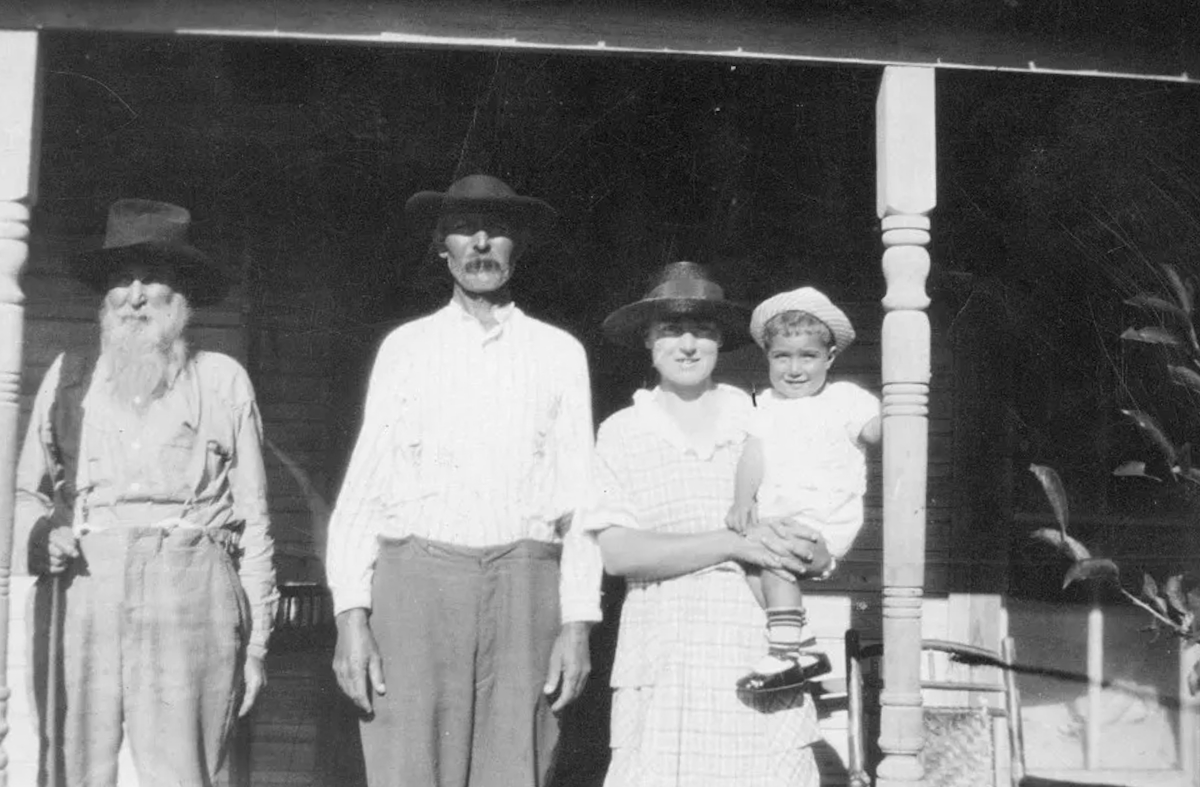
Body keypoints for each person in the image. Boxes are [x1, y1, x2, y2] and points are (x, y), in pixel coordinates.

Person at [326, 174, 603, 787]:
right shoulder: (407, 347)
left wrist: (577, 623)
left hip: (525, 585)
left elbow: (583, 500)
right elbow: (364, 489)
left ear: (518, 247)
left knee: (516, 767)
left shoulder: (558, 352)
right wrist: (351, 617)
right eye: (463, 228)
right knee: (407, 768)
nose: (481, 241)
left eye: (498, 229)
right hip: (417, 583)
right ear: (442, 247)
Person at [16, 198, 277, 787]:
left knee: (184, 772)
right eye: (119, 279)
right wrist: (41, 535)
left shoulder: (220, 379)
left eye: (152, 278)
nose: (134, 295)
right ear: (103, 296)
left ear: (181, 295)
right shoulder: (68, 376)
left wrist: (256, 642)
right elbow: (27, 495)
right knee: (70, 766)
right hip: (86, 582)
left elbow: (256, 521)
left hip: (190, 587)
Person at [585, 262, 830, 787]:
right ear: (648, 341)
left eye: (704, 331)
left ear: (722, 343)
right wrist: (733, 542)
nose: (689, 344)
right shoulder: (621, 432)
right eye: (672, 330)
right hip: (663, 639)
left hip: (753, 639)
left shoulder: (760, 419)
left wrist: (807, 546)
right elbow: (618, 554)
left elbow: (817, 538)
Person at [727, 287, 882, 693]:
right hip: (778, 519)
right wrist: (742, 500)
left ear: (829, 358)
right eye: (782, 356)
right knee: (751, 568)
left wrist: (899, 405)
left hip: (824, 521)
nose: (794, 369)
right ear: (767, 357)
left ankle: (783, 655)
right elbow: (752, 455)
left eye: (808, 356)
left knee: (775, 561)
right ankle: (807, 648)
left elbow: (878, 430)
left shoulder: (846, 399)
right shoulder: (764, 403)